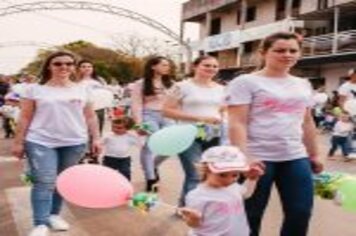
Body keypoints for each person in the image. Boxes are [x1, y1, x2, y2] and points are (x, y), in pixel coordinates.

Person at [226, 32, 324, 236]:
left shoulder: (303, 84)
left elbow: (306, 121)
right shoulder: (245, 82)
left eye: (292, 50)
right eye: (279, 50)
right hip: (257, 158)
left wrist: (314, 154)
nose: (287, 54)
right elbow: (237, 123)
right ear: (264, 53)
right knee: (251, 213)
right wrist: (244, 158)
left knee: (300, 212)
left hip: (295, 156)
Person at [12, 51, 102, 236]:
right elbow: (25, 117)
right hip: (40, 141)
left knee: (62, 181)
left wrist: (97, 138)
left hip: (74, 142)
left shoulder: (83, 89)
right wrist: (18, 142)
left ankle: (53, 215)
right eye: (58, 63)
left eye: (68, 63)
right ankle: (40, 223)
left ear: (74, 67)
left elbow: (91, 116)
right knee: (44, 181)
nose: (64, 67)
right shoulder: (34, 89)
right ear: (49, 67)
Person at [163, 55, 225, 206]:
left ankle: (186, 205)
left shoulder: (222, 89)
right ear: (195, 67)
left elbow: (223, 111)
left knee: (209, 173)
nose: (211, 69)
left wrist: (222, 119)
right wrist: (200, 118)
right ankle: (191, 209)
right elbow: (167, 111)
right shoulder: (181, 86)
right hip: (188, 134)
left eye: (214, 66)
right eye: (207, 65)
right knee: (195, 174)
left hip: (214, 135)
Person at [179, 145, 262, 236]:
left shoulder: (233, 186)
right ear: (206, 170)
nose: (229, 180)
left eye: (235, 175)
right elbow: (194, 225)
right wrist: (193, 219)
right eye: (222, 175)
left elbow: (246, 194)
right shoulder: (197, 195)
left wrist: (252, 179)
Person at [130, 56, 175, 192]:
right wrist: (138, 123)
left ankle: (153, 165)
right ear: (153, 66)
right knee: (150, 146)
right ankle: (150, 178)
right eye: (164, 65)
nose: (167, 67)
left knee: (171, 147)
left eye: (168, 65)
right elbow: (136, 104)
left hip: (167, 116)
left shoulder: (171, 83)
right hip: (149, 116)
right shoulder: (141, 84)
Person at [102, 116, 140, 180]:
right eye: (113, 127)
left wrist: (139, 132)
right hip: (109, 158)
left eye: (119, 128)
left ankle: (125, 186)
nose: (115, 129)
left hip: (124, 159)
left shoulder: (130, 136)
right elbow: (100, 142)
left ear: (127, 128)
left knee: (125, 172)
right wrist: (98, 145)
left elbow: (140, 143)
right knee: (108, 174)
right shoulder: (108, 135)